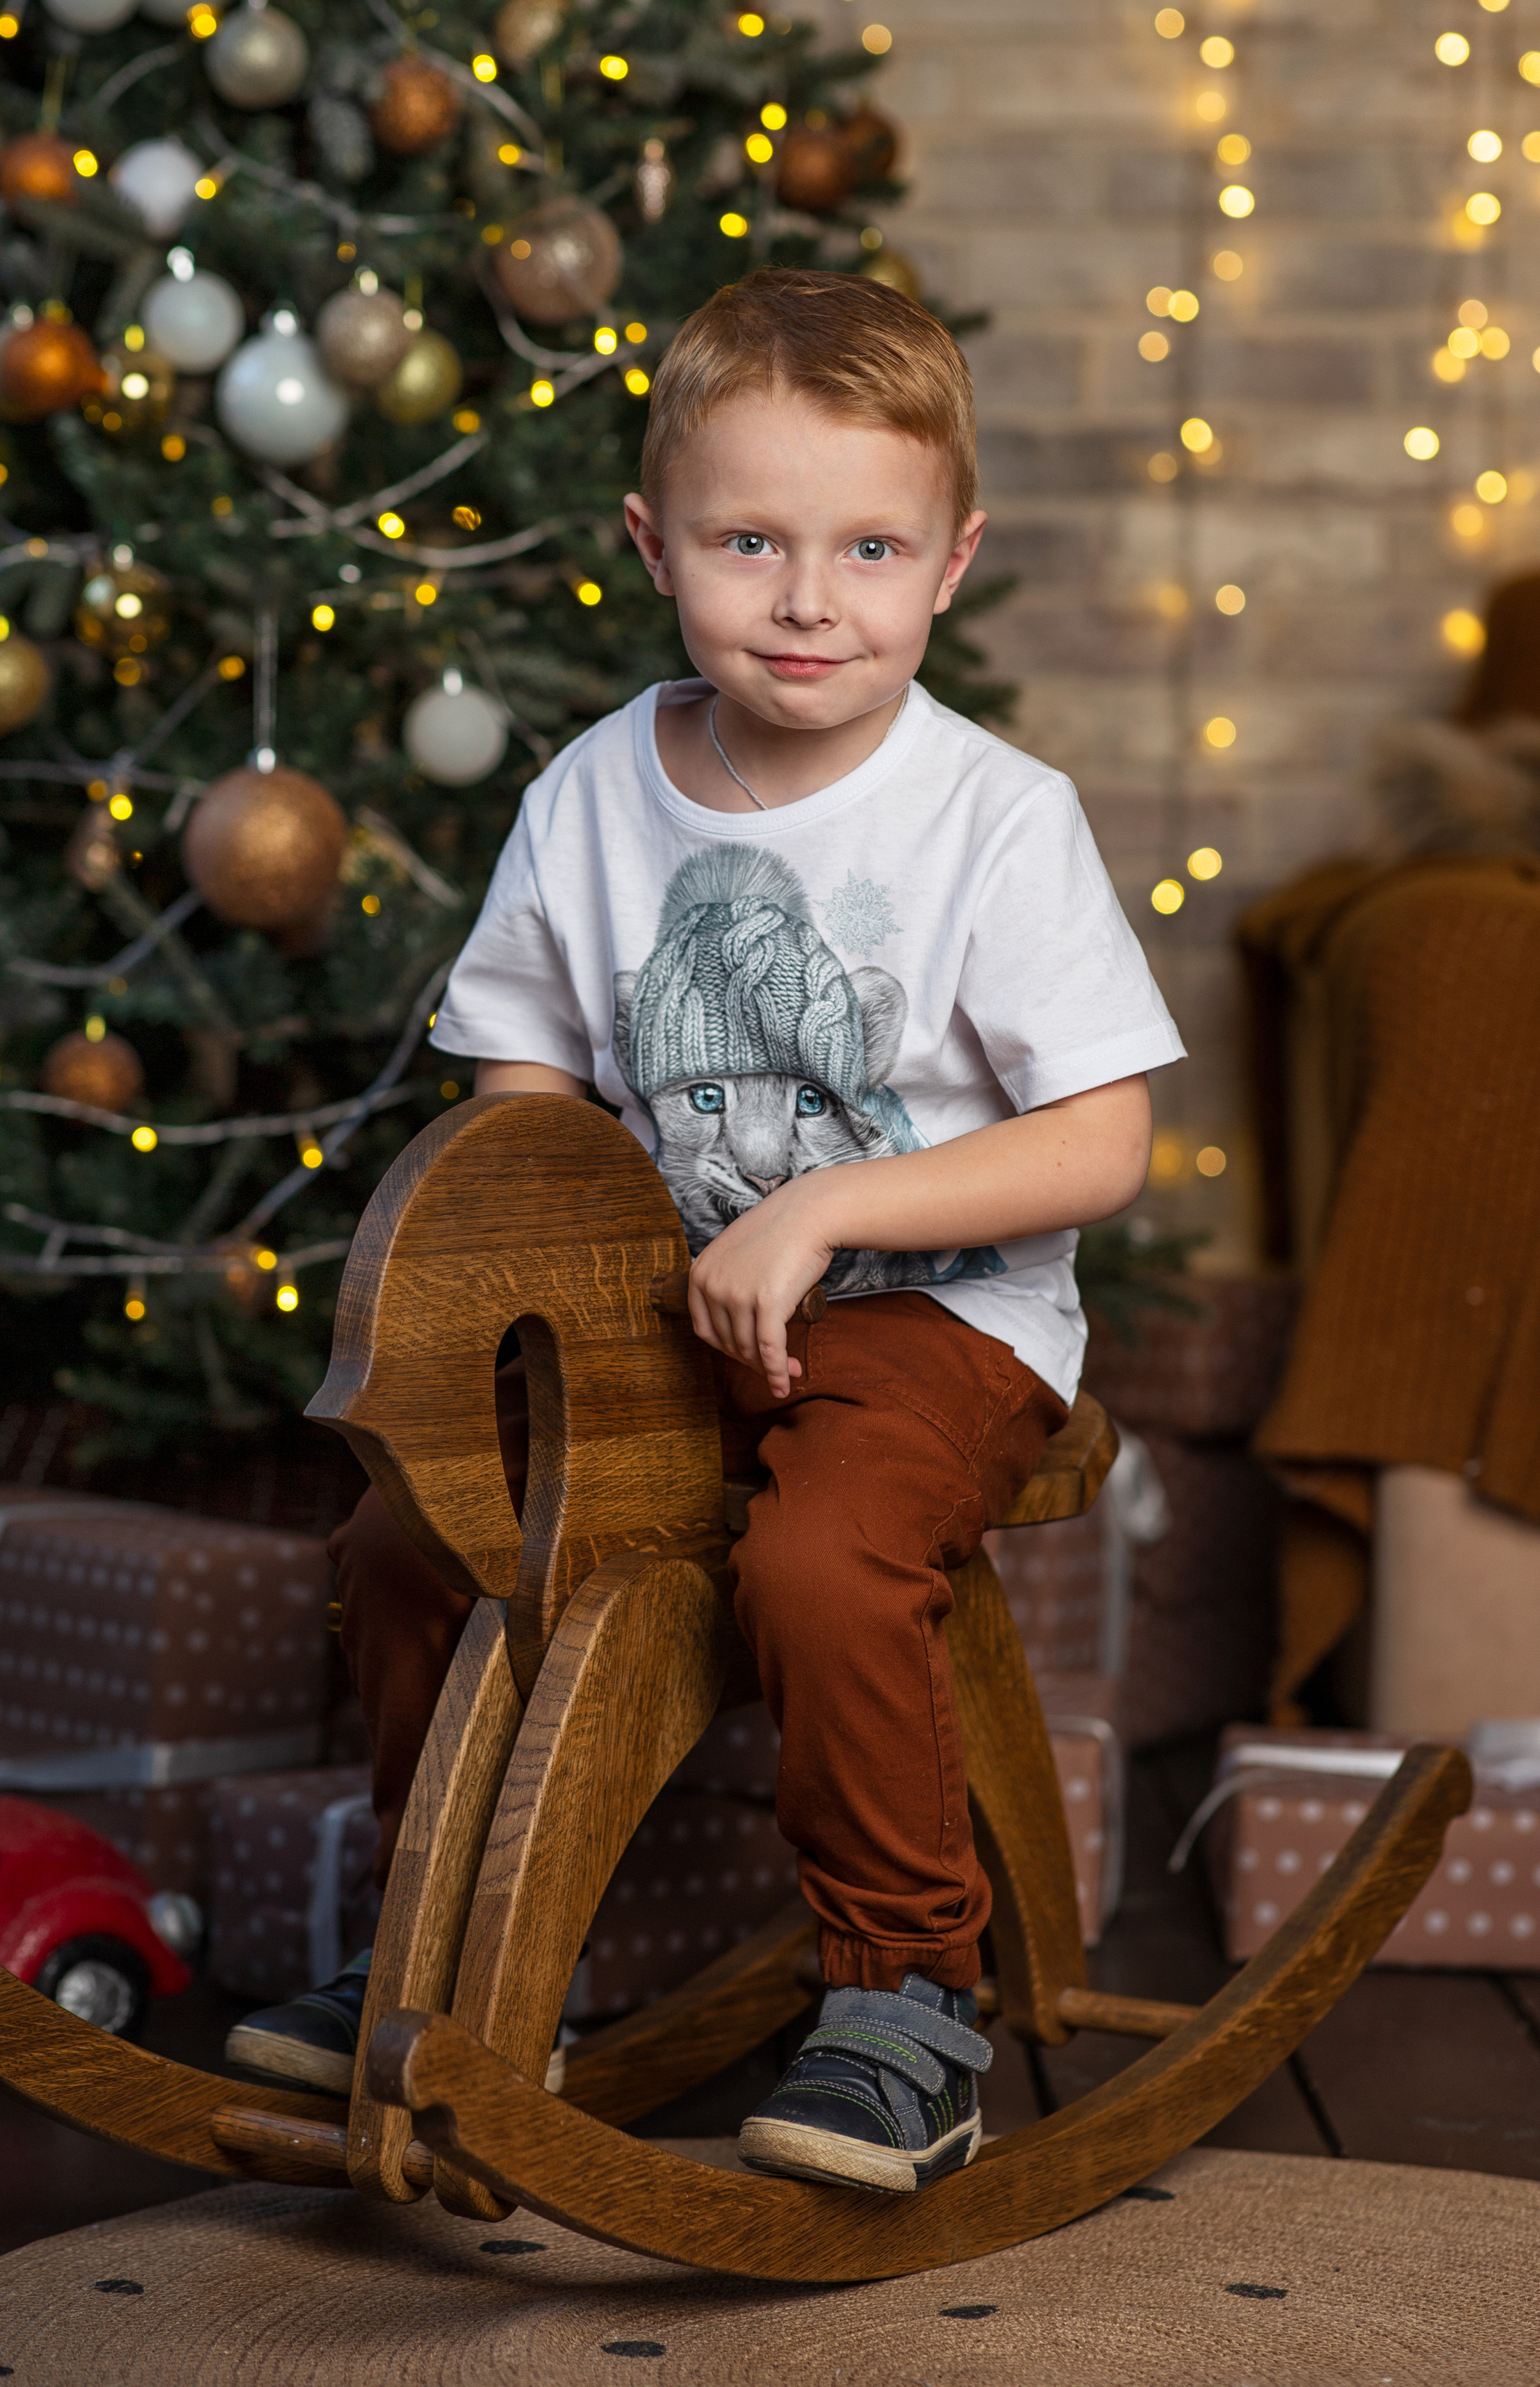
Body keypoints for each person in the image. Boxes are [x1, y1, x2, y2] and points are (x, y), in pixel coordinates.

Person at [227, 266, 1183, 2194]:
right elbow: (525, 1107)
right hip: (668, 1327)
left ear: (951, 561)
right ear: (657, 546)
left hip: (947, 1324)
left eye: (869, 547)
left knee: (820, 1561)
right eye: (753, 541)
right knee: (414, 1532)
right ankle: (462, 1963)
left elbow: (1104, 1142)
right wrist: (559, 1328)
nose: (810, 597)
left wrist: (829, 1208)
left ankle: (911, 1996)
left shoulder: (993, 817)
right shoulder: (594, 797)